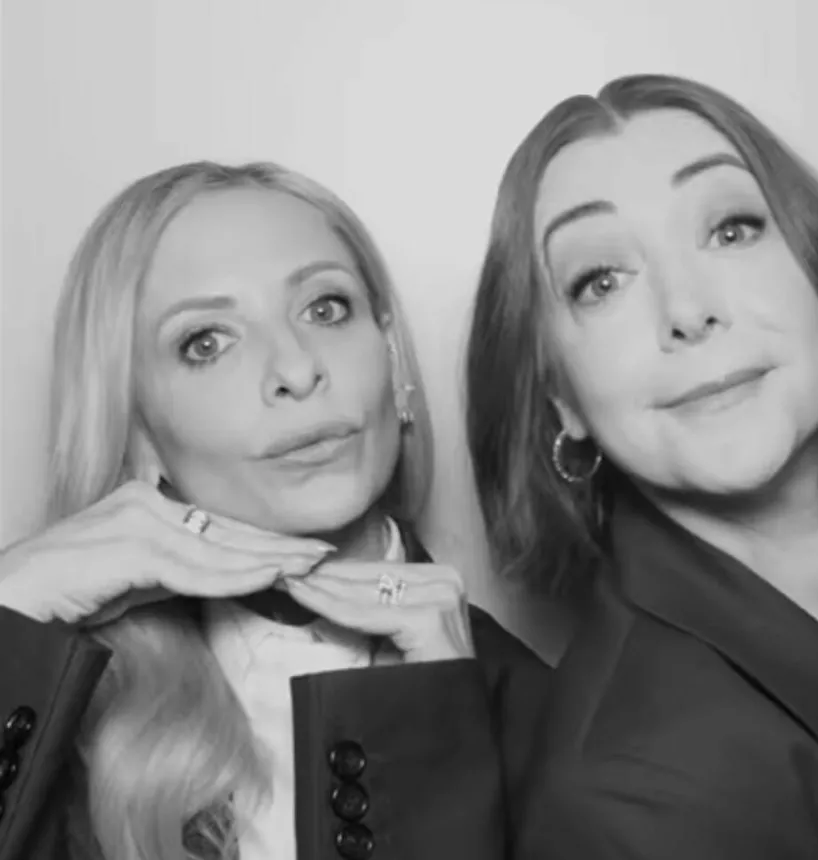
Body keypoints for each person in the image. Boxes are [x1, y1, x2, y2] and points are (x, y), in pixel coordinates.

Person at [465, 73, 818, 859]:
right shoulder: (623, 796)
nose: (687, 310)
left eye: (731, 229)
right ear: (562, 398)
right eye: (600, 282)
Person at [0, 160, 547, 860]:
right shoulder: (68, 713)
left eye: (325, 308)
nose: (295, 369)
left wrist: (431, 729)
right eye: (206, 342)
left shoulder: (546, 714)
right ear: (138, 436)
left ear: (391, 358)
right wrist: (12, 604)